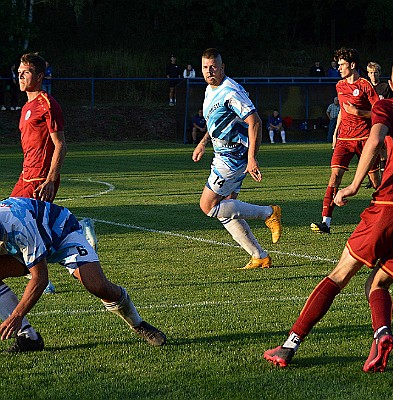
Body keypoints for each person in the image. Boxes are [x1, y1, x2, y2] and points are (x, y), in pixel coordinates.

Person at [264, 58, 393, 373]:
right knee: (377, 283)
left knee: (339, 275)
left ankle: (288, 346)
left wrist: (354, 184)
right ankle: (381, 334)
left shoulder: (389, 106)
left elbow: (376, 138)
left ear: (391, 85)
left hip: (390, 206)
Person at [0, 197, 166, 353]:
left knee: (98, 286)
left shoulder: (18, 224)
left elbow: (40, 278)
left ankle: (138, 324)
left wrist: (16, 315)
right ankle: (29, 337)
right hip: (25, 242)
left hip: (62, 234)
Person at [192, 48, 282, 270]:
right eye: (205, 67)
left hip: (233, 158)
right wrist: (203, 142)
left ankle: (268, 213)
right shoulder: (210, 90)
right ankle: (259, 255)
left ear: (222, 67)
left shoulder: (230, 91)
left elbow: (255, 122)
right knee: (228, 208)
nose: (209, 71)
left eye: (213, 67)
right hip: (223, 154)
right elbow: (215, 122)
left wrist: (252, 158)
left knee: (208, 206)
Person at [10, 53, 67, 295]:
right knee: (16, 230)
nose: (21, 75)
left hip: (39, 180)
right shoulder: (26, 106)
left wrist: (51, 179)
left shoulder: (47, 103)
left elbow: (61, 144)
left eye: (27, 71)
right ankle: (42, 275)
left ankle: (42, 279)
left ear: (40, 76)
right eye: (20, 71)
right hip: (26, 176)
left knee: (20, 230)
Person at [310, 47, 380, 234]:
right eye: (338, 64)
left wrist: (359, 113)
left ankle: (385, 216)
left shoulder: (365, 85)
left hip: (365, 138)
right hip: (344, 139)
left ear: (353, 65)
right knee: (335, 176)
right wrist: (335, 133)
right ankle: (326, 222)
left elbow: (378, 112)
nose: (339, 68)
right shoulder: (340, 86)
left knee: (375, 181)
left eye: (342, 64)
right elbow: (342, 110)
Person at [366, 61, 393, 183]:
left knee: (382, 152)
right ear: (368, 74)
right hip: (368, 124)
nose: (373, 75)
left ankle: (383, 178)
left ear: (379, 73)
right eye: (371, 73)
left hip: (382, 122)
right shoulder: (366, 87)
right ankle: (371, 178)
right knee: (370, 152)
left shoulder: (385, 87)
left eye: (375, 72)